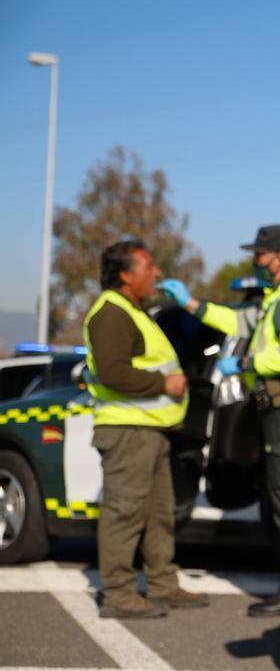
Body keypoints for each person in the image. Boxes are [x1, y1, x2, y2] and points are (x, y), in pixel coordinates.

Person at [160, 225, 280, 617]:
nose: (254, 261)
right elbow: (237, 321)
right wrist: (191, 304)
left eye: (260, 254)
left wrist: (241, 363)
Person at [83, 239, 209, 618]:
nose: (157, 273)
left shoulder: (134, 311)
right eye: (148, 266)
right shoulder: (111, 313)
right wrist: (164, 385)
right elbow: (113, 372)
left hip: (150, 431)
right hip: (127, 431)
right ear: (125, 275)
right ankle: (120, 595)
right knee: (124, 513)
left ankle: (162, 584)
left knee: (158, 513)